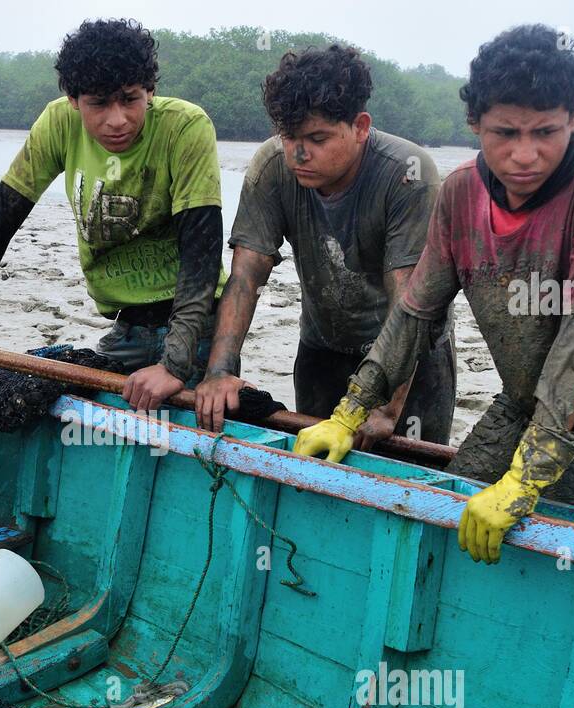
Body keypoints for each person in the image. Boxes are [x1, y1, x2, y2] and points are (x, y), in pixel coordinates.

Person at [293, 24, 574, 565]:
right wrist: (348, 413)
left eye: (546, 131)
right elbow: (415, 312)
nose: (526, 154)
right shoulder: (460, 192)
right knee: (446, 525)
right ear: (475, 124)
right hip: (519, 406)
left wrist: (526, 477)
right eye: (505, 133)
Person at [0, 18, 226, 412]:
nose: (117, 120)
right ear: (73, 100)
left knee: (187, 426)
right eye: (98, 103)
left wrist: (174, 364)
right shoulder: (58, 124)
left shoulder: (185, 128)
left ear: (150, 92)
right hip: (128, 325)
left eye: (130, 99)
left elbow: (201, 257)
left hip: (197, 325)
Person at [195, 44, 456, 444]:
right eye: (289, 137)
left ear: (361, 126)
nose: (299, 153)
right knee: (315, 465)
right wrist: (219, 372)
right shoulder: (271, 168)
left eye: (317, 138)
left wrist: (386, 407)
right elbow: (246, 276)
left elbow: (411, 302)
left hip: (413, 358)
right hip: (324, 346)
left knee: (405, 476)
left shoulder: (409, 174)